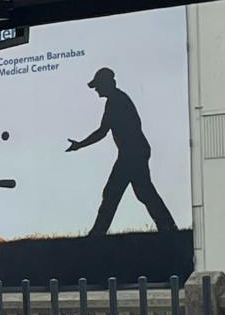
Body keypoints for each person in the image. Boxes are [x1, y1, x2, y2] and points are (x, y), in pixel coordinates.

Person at [67, 67, 179, 237]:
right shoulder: (116, 100)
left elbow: (102, 132)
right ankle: (168, 228)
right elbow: (104, 130)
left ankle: (97, 233)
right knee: (143, 192)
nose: (96, 89)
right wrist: (80, 145)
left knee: (115, 192)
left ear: (107, 84)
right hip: (133, 153)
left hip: (131, 154)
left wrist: (80, 145)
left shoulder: (117, 101)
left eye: (98, 85)